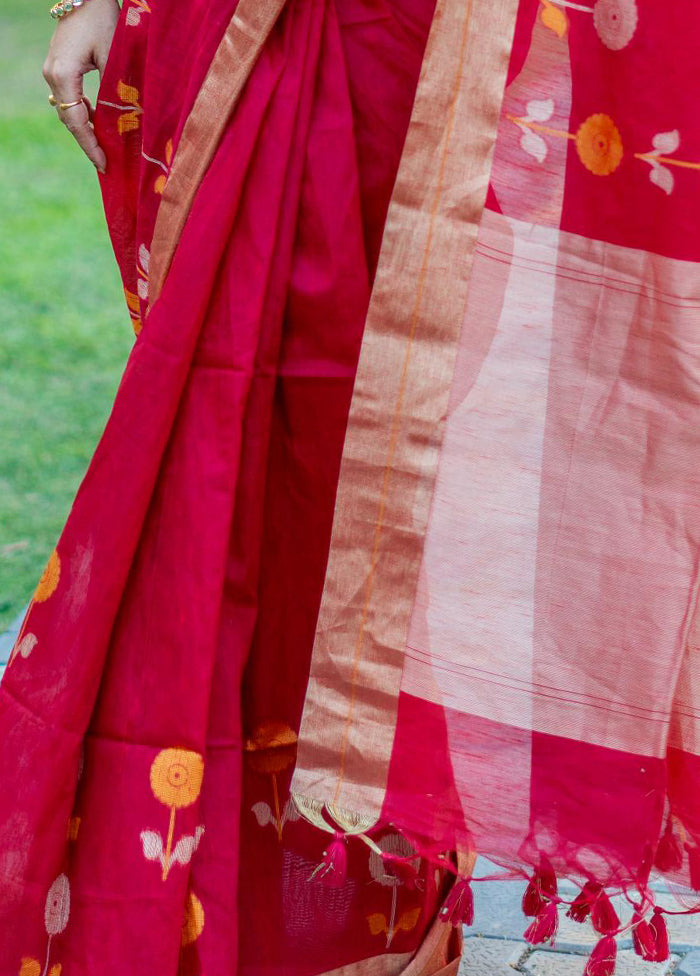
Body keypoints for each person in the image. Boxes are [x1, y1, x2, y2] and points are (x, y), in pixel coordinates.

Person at [6, 0, 700, 972]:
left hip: (425, 74)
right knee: (215, 480)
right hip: (235, 49)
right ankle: (195, 904)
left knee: (377, 491)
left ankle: (368, 913)